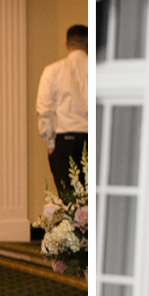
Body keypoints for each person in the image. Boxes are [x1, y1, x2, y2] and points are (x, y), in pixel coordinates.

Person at [36, 24, 88, 196]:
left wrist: (49, 141)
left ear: (67, 44)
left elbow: (45, 109)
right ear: (87, 43)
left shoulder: (53, 71)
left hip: (65, 139)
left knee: (69, 200)